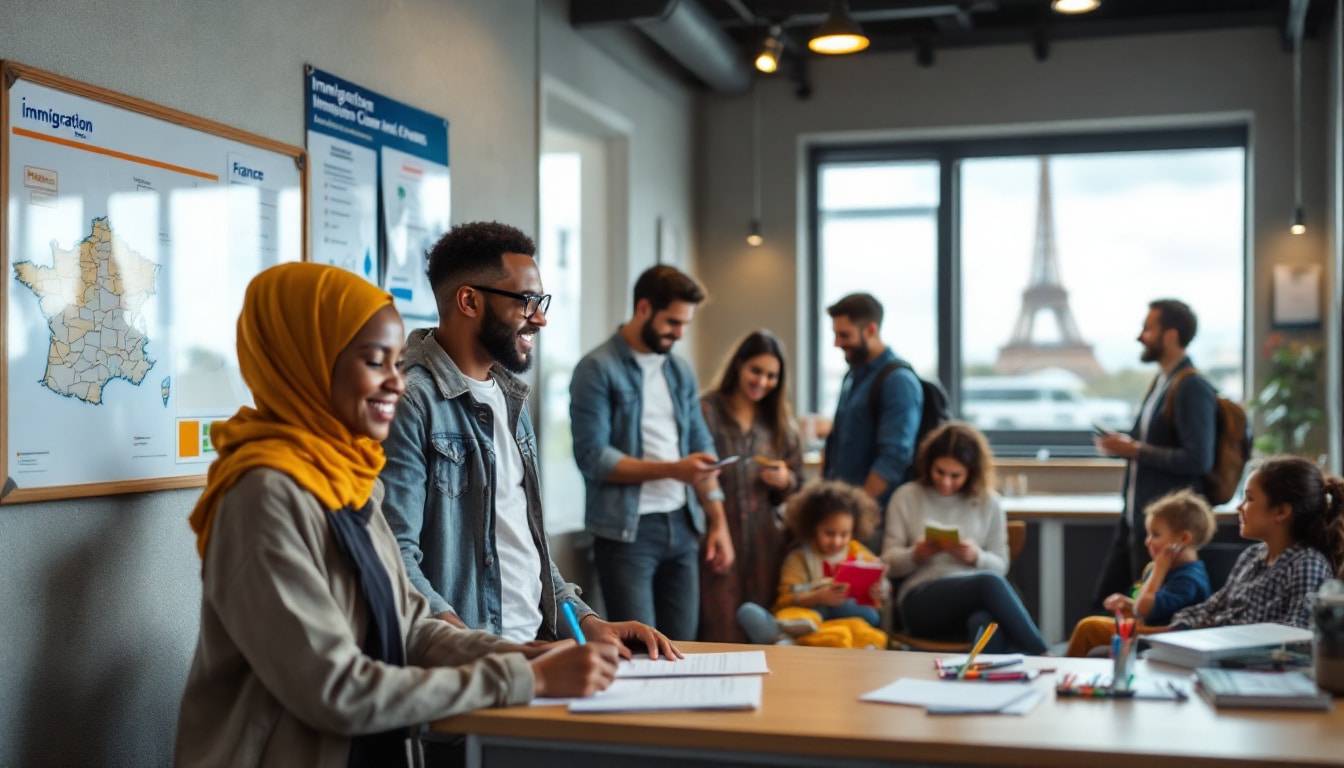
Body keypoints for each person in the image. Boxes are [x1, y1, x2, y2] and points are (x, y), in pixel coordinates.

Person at [175, 263, 618, 767]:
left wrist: (517, 656)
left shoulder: (346, 479)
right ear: (310, 362)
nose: (398, 383)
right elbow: (335, 690)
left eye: (396, 362)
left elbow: (410, 625)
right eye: (374, 362)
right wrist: (526, 680)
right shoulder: (262, 497)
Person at [379, 222, 676, 659]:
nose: (540, 317)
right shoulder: (409, 398)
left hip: (536, 655)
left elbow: (526, 545)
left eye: (541, 301)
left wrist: (588, 623)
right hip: (473, 676)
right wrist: (477, 651)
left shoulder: (510, 397)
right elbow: (394, 556)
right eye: (527, 301)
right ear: (469, 300)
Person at [570, 265, 735, 641]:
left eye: (684, 325)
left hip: (683, 524)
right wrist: (675, 470)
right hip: (628, 534)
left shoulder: (678, 371)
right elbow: (594, 457)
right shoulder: (596, 369)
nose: (678, 334)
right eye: (672, 322)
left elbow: (701, 447)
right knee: (640, 652)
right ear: (643, 308)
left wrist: (718, 523)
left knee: (682, 647)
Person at [881, 422, 1048, 654]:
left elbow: (1001, 564)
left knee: (985, 621)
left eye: (955, 475)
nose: (946, 482)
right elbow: (887, 564)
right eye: (940, 471)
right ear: (928, 464)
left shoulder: (989, 502)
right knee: (988, 582)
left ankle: (987, 687)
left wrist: (975, 557)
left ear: (972, 472)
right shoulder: (906, 496)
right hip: (921, 603)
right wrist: (915, 555)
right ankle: (1043, 655)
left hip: (973, 598)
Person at [1092, 299, 1217, 606]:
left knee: (1141, 613)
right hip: (1138, 518)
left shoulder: (1192, 386)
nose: (1140, 336)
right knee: (1104, 606)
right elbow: (1149, 445)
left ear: (1171, 335)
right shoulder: (1162, 382)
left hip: (1166, 527)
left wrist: (1134, 449)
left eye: (1148, 328)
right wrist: (1125, 445)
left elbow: (1198, 458)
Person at [698, 330, 803, 642]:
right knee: (719, 630)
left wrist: (786, 480)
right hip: (716, 537)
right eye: (756, 371)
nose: (763, 381)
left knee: (766, 633)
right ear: (739, 365)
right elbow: (694, 472)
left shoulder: (780, 423)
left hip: (767, 546)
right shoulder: (707, 411)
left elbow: (798, 487)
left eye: (772, 375)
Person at [1166, 456, 1344, 631]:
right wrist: (1180, 624)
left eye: (1249, 499)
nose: (1240, 507)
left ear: (1281, 511)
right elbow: (1214, 606)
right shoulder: (1251, 556)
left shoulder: (1308, 564)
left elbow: (1297, 633)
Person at [737, 480, 889, 649]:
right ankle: (790, 636)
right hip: (807, 615)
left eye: (845, 534)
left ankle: (786, 640)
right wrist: (816, 597)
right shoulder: (799, 558)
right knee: (749, 612)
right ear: (813, 527)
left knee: (867, 618)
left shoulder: (860, 554)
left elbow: (879, 595)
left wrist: (879, 590)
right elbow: (785, 599)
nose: (837, 541)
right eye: (829, 533)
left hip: (847, 624)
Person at [1064, 489, 1215, 657]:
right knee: (1095, 624)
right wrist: (1128, 604)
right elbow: (1153, 608)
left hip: (1167, 638)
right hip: (1151, 628)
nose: (1147, 541)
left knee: (1089, 628)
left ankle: (1063, 678)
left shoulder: (1189, 580)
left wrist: (1159, 568)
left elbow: (1144, 609)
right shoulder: (1165, 569)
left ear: (1183, 539)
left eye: (1155, 535)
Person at [822, 293, 922, 545]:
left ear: (870, 330)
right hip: (840, 516)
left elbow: (894, 457)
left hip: (872, 519)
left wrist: (857, 509)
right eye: (835, 334)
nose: (836, 343)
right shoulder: (853, 377)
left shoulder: (898, 381)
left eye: (844, 335)